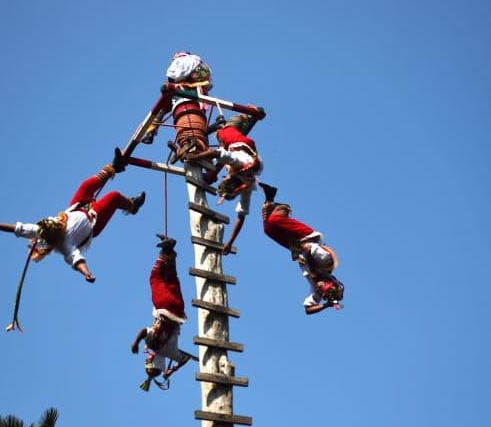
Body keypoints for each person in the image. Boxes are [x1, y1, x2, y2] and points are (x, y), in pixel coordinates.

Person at [0, 161, 145, 282]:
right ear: (55, 235)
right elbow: (76, 259)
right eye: (57, 225)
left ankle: (113, 168)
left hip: (77, 206)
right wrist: (86, 273)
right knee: (113, 196)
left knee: (86, 185)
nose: (58, 222)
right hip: (93, 221)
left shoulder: (38, 229)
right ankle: (132, 205)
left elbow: (17, 228)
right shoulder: (65, 244)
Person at [259, 183, 344, 315]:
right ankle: (283, 208)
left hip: (297, 248)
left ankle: (270, 196)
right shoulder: (326, 263)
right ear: (328, 281)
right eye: (321, 288)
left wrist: (326, 305)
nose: (318, 289)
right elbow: (308, 248)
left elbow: (308, 310)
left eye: (320, 291)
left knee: (268, 229)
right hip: (306, 237)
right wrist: (313, 271)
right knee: (275, 221)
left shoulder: (316, 289)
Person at [185, 114, 262, 254]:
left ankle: (243, 117)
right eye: (224, 179)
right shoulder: (238, 162)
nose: (223, 178)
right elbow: (215, 153)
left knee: (219, 157)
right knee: (222, 132)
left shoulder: (248, 186)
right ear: (229, 180)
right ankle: (222, 123)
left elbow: (241, 217)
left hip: (248, 147)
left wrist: (230, 242)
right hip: (234, 141)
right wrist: (194, 158)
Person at [130, 234, 194, 391]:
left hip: (179, 310)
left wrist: (172, 370)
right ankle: (164, 251)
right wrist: (136, 343)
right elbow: (144, 331)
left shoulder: (172, 353)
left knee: (172, 279)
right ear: (153, 359)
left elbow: (184, 359)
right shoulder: (153, 344)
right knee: (155, 278)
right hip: (165, 307)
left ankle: (170, 251)